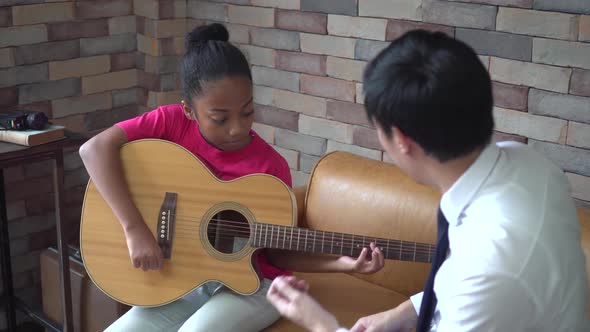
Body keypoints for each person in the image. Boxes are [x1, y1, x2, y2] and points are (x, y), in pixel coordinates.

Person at [266, 29, 589, 332]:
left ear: (403, 141)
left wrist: (321, 323)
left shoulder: (490, 265)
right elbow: (460, 279)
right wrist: (401, 312)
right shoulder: (529, 164)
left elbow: (480, 282)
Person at [79, 23, 384, 332]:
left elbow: (276, 251)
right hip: (190, 275)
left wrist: (342, 263)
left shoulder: (270, 167)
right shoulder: (171, 123)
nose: (237, 128)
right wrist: (135, 229)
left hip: (258, 286)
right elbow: (94, 149)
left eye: (247, 112)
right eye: (220, 118)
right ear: (188, 110)